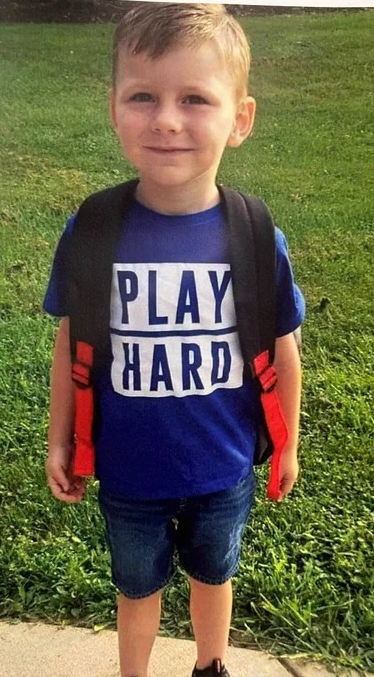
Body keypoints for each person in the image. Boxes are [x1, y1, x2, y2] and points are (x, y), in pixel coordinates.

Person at [44, 4, 305, 677]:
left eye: (195, 98)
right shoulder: (94, 228)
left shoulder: (253, 233)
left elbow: (283, 349)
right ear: (113, 108)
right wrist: (60, 438)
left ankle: (209, 666)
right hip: (129, 473)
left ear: (239, 118)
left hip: (221, 468)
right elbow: (71, 343)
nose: (166, 118)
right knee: (137, 588)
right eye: (143, 96)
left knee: (214, 578)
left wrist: (289, 444)